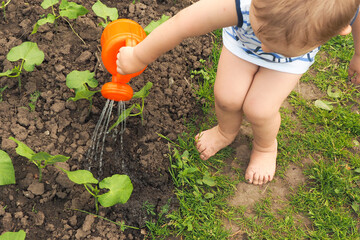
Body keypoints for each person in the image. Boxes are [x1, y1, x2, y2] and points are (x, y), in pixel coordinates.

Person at [116, 0, 360, 185]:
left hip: (287, 64)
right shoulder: (239, 5)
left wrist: (358, 54)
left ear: (340, 29)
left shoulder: (340, 13)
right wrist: (138, 56)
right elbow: (182, 24)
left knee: (260, 109)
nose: (265, 47)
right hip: (242, 44)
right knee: (226, 97)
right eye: (261, 31)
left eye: (275, 45)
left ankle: (265, 147)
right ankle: (226, 131)